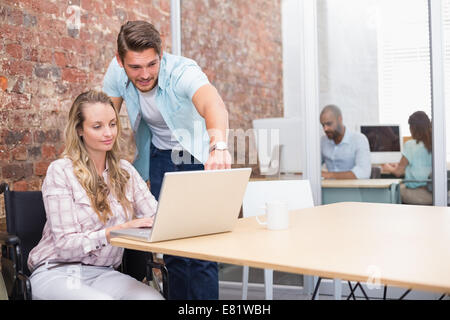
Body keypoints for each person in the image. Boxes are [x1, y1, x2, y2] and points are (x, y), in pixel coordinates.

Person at [102, 20, 232, 299]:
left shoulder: (182, 71)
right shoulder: (115, 72)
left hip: (197, 156)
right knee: (171, 246)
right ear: (120, 61)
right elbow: (103, 119)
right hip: (160, 156)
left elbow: (212, 102)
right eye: (135, 67)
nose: (145, 74)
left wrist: (218, 145)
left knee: (200, 250)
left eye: (152, 64)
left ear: (161, 55)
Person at [27, 90, 164, 300]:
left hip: (104, 272)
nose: (108, 133)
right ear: (79, 129)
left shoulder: (125, 171)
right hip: (57, 270)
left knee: (151, 298)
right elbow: (65, 247)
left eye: (112, 124)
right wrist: (116, 232)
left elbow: (158, 217)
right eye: (97, 126)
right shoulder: (61, 171)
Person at [382, 111, 432, 205]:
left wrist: (388, 167)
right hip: (433, 192)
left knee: (390, 191)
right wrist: (401, 165)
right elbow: (420, 167)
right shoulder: (433, 145)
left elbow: (398, 172)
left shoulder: (410, 145)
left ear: (413, 128)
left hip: (417, 192)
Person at [320, 104, 371, 179]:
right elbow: (314, 167)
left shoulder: (359, 139)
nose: (325, 129)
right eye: (323, 125)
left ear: (340, 119)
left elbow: (363, 173)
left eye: (329, 124)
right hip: (329, 188)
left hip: (352, 189)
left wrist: (330, 175)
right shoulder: (323, 141)